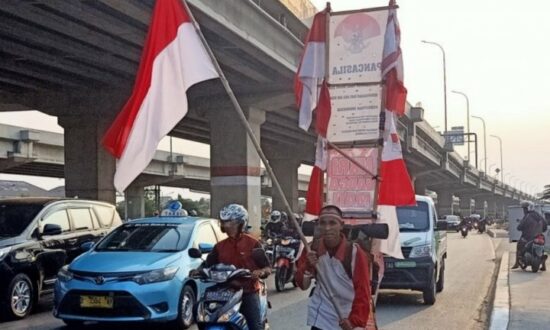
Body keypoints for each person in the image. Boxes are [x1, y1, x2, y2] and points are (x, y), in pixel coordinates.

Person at [189, 204, 271, 330]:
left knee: (255, 326)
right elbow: (208, 264)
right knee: (201, 315)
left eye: (231, 222)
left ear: (241, 223)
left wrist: (260, 272)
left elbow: (267, 268)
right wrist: (198, 271)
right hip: (222, 292)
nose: (227, 226)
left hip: (247, 291)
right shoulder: (219, 246)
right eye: (225, 222)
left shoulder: (253, 243)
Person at [295, 205, 371, 330]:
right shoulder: (312, 249)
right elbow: (303, 285)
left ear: (341, 225)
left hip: (347, 315)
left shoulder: (354, 253)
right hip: (321, 316)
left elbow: (363, 291)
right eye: (323, 223)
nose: (327, 228)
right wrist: (307, 264)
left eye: (332, 223)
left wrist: (354, 321)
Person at [512, 201, 548, 270]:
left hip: (527, 238)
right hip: (539, 237)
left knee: (518, 245)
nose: (524, 210)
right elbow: (545, 227)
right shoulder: (539, 215)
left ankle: (516, 263)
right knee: (542, 247)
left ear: (527, 208)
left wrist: (521, 227)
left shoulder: (527, 216)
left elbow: (519, 227)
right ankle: (543, 266)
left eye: (524, 209)